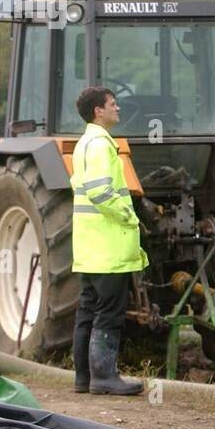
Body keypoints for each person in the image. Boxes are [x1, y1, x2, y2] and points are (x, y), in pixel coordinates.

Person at [70, 86, 147, 395]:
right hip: (109, 247)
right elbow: (102, 192)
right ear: (98, 111)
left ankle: (83, 378)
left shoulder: (84, 143)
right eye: (113, 105)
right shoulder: (102, 145)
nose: (118, 109)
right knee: (109, 313)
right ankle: (104, 376)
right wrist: (130, 217)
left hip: (89, 246)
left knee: (87, 310)